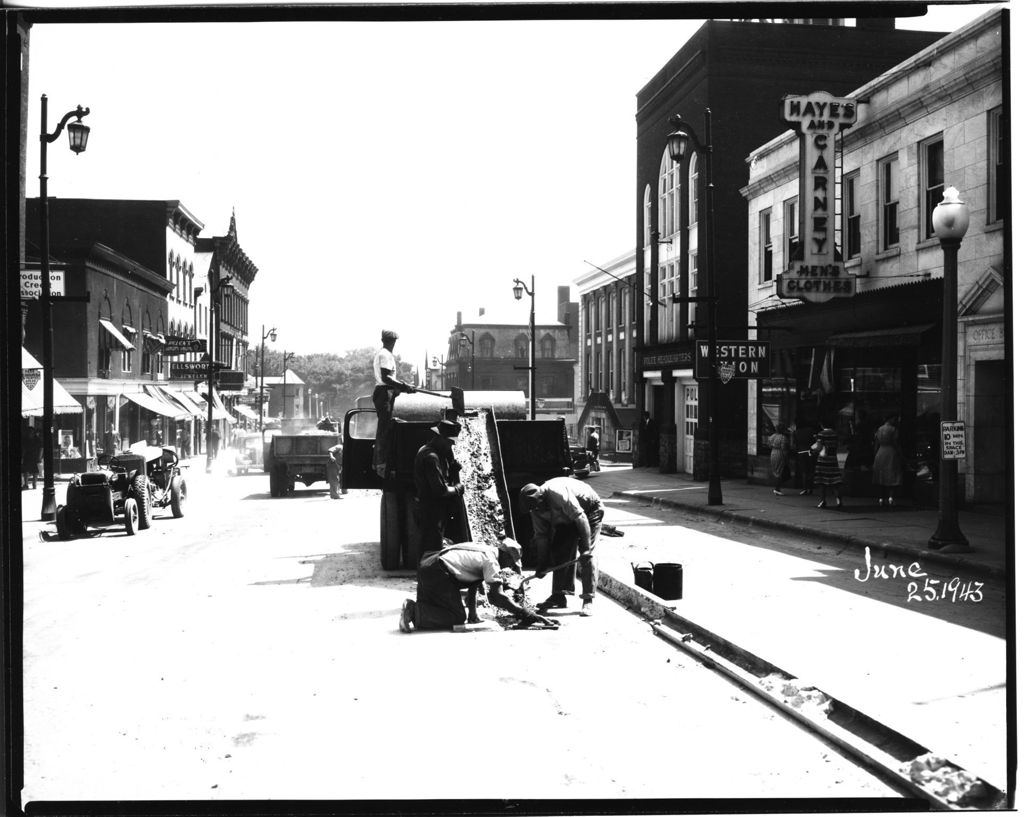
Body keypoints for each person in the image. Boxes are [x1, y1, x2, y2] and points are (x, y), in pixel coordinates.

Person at [398, 538, 552, 632]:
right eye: (511, 561)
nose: (510, 565)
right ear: (505, 555)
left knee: (435, 609)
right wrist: (525, 613)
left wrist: (473, 614)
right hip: (440, 572)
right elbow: (497, 596)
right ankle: (413, 611)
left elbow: (473, 583)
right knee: (456, 617)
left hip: (427, 565)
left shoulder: (484, 549)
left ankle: (415, 611)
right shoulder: (492, 561)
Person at [519, 477, 604, 617]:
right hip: (568, 518)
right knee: (560, 550)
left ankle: (588, 599)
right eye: (534, 509)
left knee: (587, 555)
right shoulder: (534, 509)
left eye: (539, 506)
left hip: (590, 510)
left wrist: (587, 548)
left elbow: (581, 518)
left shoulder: (557, 494)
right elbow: (542, 538)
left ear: (542, 498)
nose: (538, 510)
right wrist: (542, 565)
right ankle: (559, 596)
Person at [413, 420, 465, 552]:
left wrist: (452, 469)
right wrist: (457, 489)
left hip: (432, 509)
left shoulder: (430, 451)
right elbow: (440, 490)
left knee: (430, 548)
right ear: (440, 438)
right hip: (431, 510)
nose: (451, 446)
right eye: (449, 442)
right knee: (432, 550)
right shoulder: (431, 457)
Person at [372, 330, 416, 478]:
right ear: (390, 341)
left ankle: (379, 462)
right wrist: (404, 387)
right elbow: (386, 378)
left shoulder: (383, 353)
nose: (393, 343)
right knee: (384, 429)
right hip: (384, 392)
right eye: (392, 341)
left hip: (385, 392)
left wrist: (403, 388)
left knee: (385, 427)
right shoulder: (385, 354)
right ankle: (381, 464)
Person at [872, 415, 903, 508]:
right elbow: (895, 443)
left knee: (881, 475)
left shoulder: (879, 429)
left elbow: (876, 444)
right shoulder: (893, 429)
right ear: (890, 419)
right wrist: (900, 453)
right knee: (892, 474)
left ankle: (881, 498)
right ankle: (891, 497)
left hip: (880, 453)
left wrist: (875, 455)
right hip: (891, 453)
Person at [812, 422, 843, 509]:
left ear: (822, 424)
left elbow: (819, 447)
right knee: (835, 480)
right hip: (833, 459)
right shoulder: (835, 434)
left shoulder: (821, 434)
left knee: (822, 481)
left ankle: (822, 501)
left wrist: (812, 450)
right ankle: (838, 499)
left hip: (823, 460)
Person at [791, 417, 816, 496]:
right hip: (810, 451)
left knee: (804, 471)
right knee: (811, 470)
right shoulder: (811, 430)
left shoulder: (796, 432)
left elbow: (793, 445)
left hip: (801, 451)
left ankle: (804, 489)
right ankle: (811, 488)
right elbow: (815, 440)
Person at [768, 423, 790, 496]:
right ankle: (777, 488)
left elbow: (769, 445)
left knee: (776, 471)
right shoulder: (783, 437)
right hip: (779, 454)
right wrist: (786, 457)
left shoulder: (772, 436)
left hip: (773, 453)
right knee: (780, 471)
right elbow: (784, 449)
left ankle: (777, 488)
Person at [22, 426, 41, 490]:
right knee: (27, 470)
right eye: (29, 432)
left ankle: (33, 484)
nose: (30, 433)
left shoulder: (36, 439)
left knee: (34, 471)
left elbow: (41, 448)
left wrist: (39, 457)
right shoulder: (26, 439)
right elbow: (24, 449)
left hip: (33, 456)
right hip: (28, 456)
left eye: (31, 432)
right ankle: (27, 484)